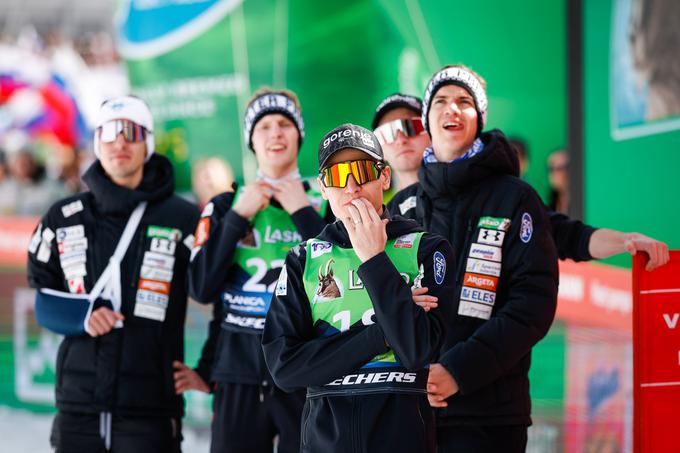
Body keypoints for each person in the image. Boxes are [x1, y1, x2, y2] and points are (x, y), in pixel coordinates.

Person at [388, 65, 560, 452]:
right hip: (409, 409)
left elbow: (533, 305)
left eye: (464, 102)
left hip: (488, 416)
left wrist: (458, 371)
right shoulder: (401, 208)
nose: (453, 110)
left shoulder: (515, 198)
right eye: (442, 102)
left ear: (479, 119)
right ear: (427, 121)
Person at [262, 123, 455, 452]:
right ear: (324, 188)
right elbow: (285, 368)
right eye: (337, 176)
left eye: (362, 171)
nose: (351, 187)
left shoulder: (427, 249)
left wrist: (375, 259)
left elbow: (418, 352)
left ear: (384, 177)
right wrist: (382, 332)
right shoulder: (303, 260)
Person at [27, 95, 200, 452]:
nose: (120, 141)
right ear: (97, 142)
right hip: (78, 408)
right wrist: (84, 315)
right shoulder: (63, 217)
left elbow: (220, 290)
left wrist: (210, 369)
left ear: (147, 143)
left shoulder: (182, 217)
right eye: (110, 132)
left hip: (150, 408)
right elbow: (43, 299)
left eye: (132, 132)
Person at [180, 88, 333, 453]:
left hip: (307, 376)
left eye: (284, 124)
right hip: (238, 377)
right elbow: (200, 288)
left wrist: (302, 213)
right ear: (252, 139)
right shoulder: (225, 206)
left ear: (299, 135)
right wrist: (236, 218)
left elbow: (343, 278)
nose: (275, 133)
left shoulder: (327, 200)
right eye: (264, 127)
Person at [375, 95, 670, 272]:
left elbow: (564, 233)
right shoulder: (374, 219)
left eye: (410, 126)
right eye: (386, 132)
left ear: (433, 128)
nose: (399, 138)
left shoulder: (492, 196)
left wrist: (627, 241)